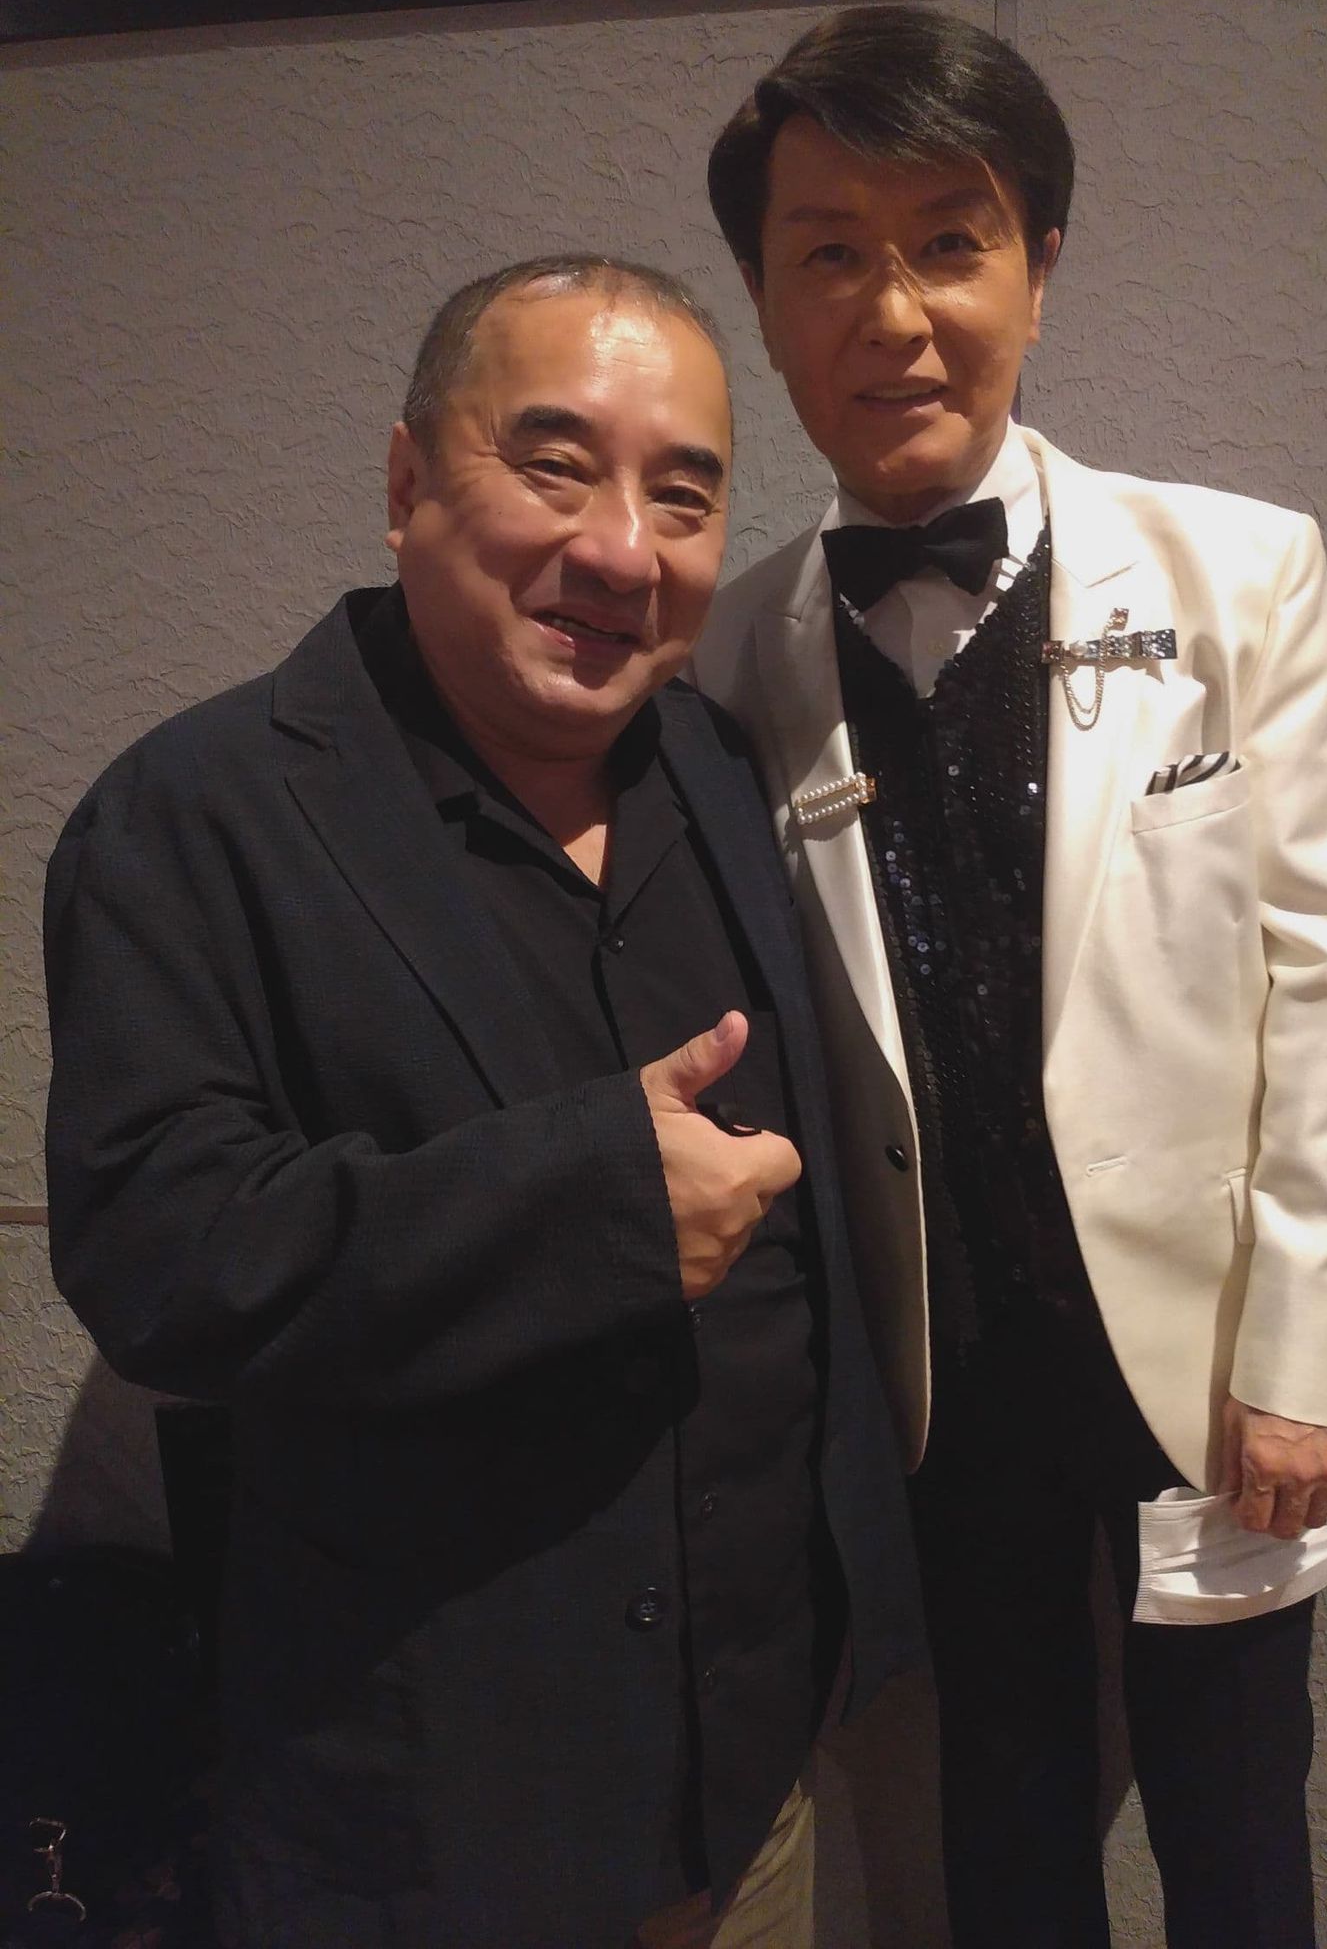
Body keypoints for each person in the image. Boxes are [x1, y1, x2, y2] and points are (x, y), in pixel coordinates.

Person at [43, 255, 925, 1949]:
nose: (622, 549)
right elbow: (159, 1255)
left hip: (748, 1785)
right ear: (406, 485)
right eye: (555, 465)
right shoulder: (196, 813)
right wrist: (598, 1203)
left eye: (684, 496)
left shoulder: (723, 767)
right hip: (427, 1824)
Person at [694, 6, 1327, 1949]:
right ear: (766, 302)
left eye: (951, 240)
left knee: (1240, 1830)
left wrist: (1310, 1359)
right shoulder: (734, 656)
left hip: (1215, 1363)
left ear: (1039, 265)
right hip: (939, 1377)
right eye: (830, 252)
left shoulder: (1241, 572)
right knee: (1001, 1827)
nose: (896, 311)